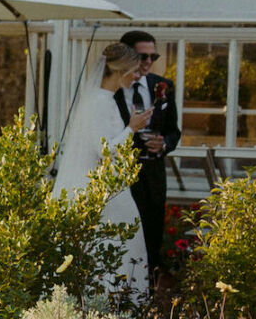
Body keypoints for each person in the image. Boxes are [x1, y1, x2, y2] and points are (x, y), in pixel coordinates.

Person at [52, 41, 151, 296]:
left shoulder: (100, 99)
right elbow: (104, 150)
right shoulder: (100, 102)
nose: (137, 77)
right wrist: (132, 128)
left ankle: (118, 303)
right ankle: (114, 302)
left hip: (108, 186)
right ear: (121, 71)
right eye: (134, 71)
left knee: (125, 244)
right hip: (100, 191)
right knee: (123, 245)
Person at [117, 29, 181, 275]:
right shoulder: (113, 89)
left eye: (152, 57)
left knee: (152, 235)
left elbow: (174, 131)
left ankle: (149, 296)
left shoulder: (162, 85)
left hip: (153, 173)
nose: (147, 62)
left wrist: (163, 143)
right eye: (142, 57)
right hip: (121, 175)